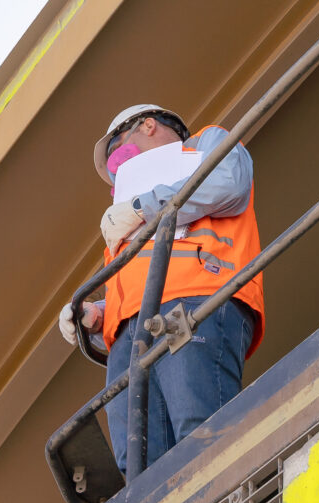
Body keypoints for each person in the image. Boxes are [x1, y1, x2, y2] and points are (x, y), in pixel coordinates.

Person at [59, 104, 265, 473]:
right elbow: (140, 280)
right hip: (131, 337)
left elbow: (229, 182)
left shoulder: (205, 144)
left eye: (118, 155)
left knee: (200, 433)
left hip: (196, 300)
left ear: (149, 126)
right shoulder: (128, 213)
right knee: (139, 466)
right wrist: (98, 314)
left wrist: (143, 208)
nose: (116, 172)